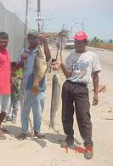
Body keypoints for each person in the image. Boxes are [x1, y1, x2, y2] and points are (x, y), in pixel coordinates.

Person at [52, 31, 101, 159]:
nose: (78, 44)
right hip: (68, 86)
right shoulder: (71, 55)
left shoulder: (92, 56)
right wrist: (62, 65)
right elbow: (68, 75)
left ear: (85, 42)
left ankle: (88, 145)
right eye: (76, 41)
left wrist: (96, 93)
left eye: (80, 42)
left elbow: (95, 75)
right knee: (66, 114)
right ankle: (69, 138)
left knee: (83, 116)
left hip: (81, 89)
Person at [16, 29, 51, 140]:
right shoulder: (23, 51)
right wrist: (22, 60)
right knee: (24, 111)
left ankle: (37, 130)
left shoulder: (40, 51)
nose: (31, 40)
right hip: (25, 87)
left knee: (38, 111)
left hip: (39, 87)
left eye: (34, 38)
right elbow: (18, 67)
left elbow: (48, 58)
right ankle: (24, 131)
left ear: (38, 39)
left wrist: (45, 42)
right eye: (29, 38)